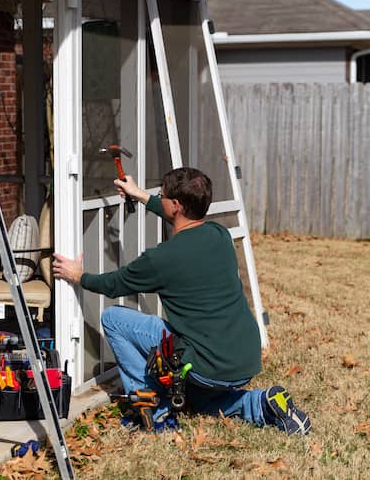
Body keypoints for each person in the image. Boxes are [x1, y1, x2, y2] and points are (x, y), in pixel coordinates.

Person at [52, 167, 311, 435]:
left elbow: (113, 284)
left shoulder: (162, 259)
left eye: (160, 195)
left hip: (208, 364)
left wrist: (78, 275)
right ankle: (260, 403)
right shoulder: (219, 235)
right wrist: (139, 194)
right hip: (244, 359)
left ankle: (153, 409)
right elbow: (175, 215)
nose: (158, 198)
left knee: (114, 319)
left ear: (176, 205)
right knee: (198, 401)